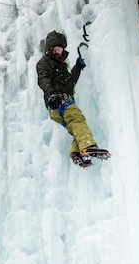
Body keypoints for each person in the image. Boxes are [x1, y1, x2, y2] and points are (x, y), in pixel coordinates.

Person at [36, 31, 109, 167]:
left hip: (58, 106)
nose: (58, 52)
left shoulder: (61, 66)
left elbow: (69, 84)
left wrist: (77, 68)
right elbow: (43, 79)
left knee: (76, 126)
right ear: (50, 49)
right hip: (58, 100)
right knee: (77, 120)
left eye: (60, 49)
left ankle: (76, 153)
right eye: (56, 49)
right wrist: (51, 93)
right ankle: (88, 146)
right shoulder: (45, 62)